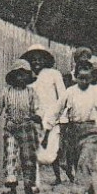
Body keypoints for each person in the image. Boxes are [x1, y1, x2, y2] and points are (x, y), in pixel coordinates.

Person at [46, 60, 97, 194]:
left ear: (92, 77)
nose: (84, 81)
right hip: (74, 132)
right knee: (79, 165)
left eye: (87, 78)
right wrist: (48, 126)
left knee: (84, 163)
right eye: (81, 77)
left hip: (91, 132)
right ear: (76, 76)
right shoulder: (70, 92)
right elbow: (57, 109)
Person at [0, 60, 42, 194]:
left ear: (28, 77)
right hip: (11, 127)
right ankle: (12, 188)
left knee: (28, 157)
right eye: (18, 74)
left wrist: (37, 115)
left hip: (26, 127)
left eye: (24, 75)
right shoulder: (6, 91)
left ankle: (29, 185)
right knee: (10, 155)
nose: (21, 78)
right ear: (13, 76)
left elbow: (36, 107)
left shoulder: (31, 92)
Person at [21, 46, 68, 186]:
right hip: (34, 119)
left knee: (47, 157)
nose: (36, 62)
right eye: (33, 59)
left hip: (52, 119)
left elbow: (63, 97)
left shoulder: (54, 74)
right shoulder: (28, 76)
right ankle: (34, 183)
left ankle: (58, 171)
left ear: (45, 60)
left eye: (39, 59)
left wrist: (61, 117)